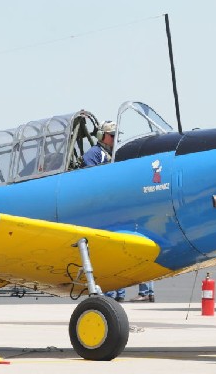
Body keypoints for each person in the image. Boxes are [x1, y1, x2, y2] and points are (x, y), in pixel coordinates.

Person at [82, 120, 125, 302]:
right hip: (101, 210)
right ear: (102, 136)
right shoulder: (94, 154)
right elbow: (90, 180)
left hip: (115, 207)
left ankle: (120, 292)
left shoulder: (116, 154)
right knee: (105, 251)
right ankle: (108, 292)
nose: (115, 139)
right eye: (112, 135)